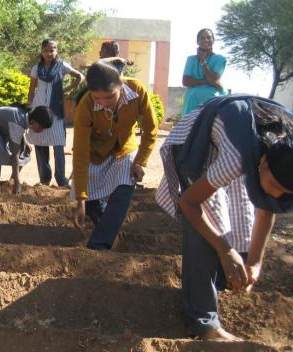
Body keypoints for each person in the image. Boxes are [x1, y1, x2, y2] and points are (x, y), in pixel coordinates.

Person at [156, 95, 293, 341]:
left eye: (285, 192)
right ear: (262, 163)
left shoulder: (284, 152)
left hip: (238, 137)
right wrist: (223, 249)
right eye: (274, 183)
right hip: (196, 140)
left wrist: (255, 263)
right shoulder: (236, 160)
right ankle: (203, 321)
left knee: (242, 217)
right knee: (208, 226)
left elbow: (266, 206)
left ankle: (218, 283)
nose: (276, 193)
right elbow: (188, 202)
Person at [72, 62, 158, 251]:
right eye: (97, 98)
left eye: (110, 96)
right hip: (95, 153)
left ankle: (98, 246)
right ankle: (108, 227)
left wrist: (140, 161)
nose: (104, 103)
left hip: (125, 148)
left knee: (124, 186)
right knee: (91, 200)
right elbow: (79, 151)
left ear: (120, 84)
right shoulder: (85, 105)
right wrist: (80, 200)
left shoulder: (137, 90)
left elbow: (151, 129)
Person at [28, 39, 83, 187]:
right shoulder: (36, 68)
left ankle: (61, 180)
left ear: (56, 51)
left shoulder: (62, 66)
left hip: (56, 112)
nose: (49, 53)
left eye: (52, 50)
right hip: (39, 111)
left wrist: (66, 90)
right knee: (40, 146)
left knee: (58, 146)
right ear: (41, 51)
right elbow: (31, 90)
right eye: (46, 50)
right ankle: (44, 179)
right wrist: (31, 108)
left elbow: (79, 77)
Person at [0, 105, 53, 194]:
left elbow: (17, 129)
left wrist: (24, 143)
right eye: (41, 127)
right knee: (0, 150)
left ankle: (11, 183)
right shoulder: (19, 122)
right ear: (34, 121)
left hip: (0, 128)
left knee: (26, 150)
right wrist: (18, 183)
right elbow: (14, 155)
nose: (41, 131)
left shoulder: (26, 117)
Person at [181, 28, 226, 116]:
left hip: (211, 101)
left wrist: (203, 61)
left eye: (209, 37)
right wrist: (205, 81)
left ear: (213, 40)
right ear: (198, 42)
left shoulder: (220, 59)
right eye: (202, 38)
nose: (206, 40)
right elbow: (185, 81)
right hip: (191, 101)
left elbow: (212, 80)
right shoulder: (191, 59)